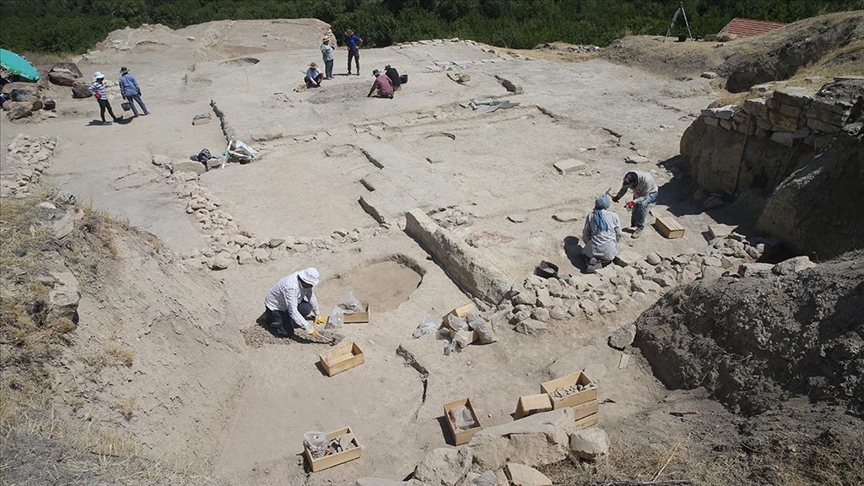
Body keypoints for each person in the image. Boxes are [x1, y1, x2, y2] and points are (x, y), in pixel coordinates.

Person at [264, 268, 321, 337]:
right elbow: (292, 311)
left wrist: (317, 314)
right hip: (276, 307)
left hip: (292, 301)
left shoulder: (306, 283)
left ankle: (289, 319)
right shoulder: (291, 287)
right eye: (310, 284)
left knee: (306, 308)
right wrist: (306, 326)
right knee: (286, 333)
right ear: (304, 280)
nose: (311, 286)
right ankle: (270, 320)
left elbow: (311, 296)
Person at [582, 193, 622, 272]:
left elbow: (586, 234)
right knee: (610, 255)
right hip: (609, 250)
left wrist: (588, 243)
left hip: (594, 248)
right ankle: (601, 263)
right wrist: (614, 242)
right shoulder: (614, 215)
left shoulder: (591, 216)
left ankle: (590, 261)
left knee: (584, 252)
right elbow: (619, 233)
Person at [612, 170, 658, 239]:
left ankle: (640, 228)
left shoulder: (647, 180)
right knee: (635, 208)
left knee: (642, 205)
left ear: (636, 182)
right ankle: (633, 223)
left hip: (650, 193)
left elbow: (644, 197)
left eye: (630, 185)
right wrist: (618, 196)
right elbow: (624, 189)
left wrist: (633, 202)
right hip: (638, 192)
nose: (630, 187)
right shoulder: (628, 177)